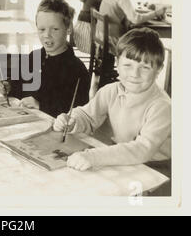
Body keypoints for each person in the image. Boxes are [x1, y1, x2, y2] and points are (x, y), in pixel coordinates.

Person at [53, 28, 171, 173]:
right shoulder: (110, 90)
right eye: (128, 65)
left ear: (158, 69)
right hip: (120, 156)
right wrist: (72, 122)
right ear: (117, 63)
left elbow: (143, 149)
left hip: (155, 167)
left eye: (145, 68)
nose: (135, 74)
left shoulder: (162, 106)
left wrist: (94, 157)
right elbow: (88, 116)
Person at [0, 0, 90, 118]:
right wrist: (8, 86)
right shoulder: (33, 57)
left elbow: (78, 113)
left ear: (68, 29)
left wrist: (41, 106)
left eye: (55, 29)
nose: (47, 35)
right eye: (42, 29)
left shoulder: (77, 70)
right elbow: (19, 85)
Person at [99, 0, 167, 53]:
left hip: (101, 35)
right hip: (112, 40)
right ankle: (135, 65)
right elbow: (135, 19)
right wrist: (155, 13)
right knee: (139, 48)